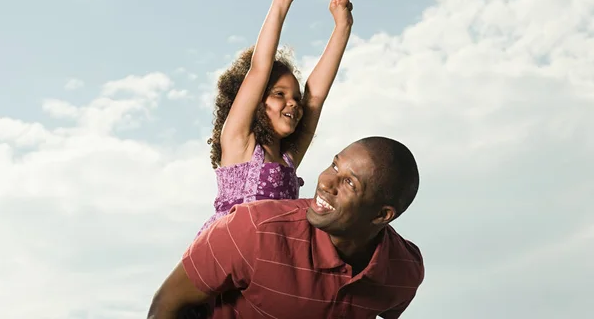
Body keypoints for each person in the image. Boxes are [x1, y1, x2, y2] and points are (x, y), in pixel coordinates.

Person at [148, 136, 424, 319]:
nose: (327, 183)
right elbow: (166, 305)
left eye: (350, 183)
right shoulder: (254, 228)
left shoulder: (404, 270)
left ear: (382, 215)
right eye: (334, 165)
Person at [198, 0, 354, 235]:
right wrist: (282, 0)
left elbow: (315, 96)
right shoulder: (238, 142)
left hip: (271, 259)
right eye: (279, 94)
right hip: (230, 250)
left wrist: (343, 27)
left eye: (295, 97)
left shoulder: (288, 160)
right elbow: (259, 69)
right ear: (256, 102)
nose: (293, 103)